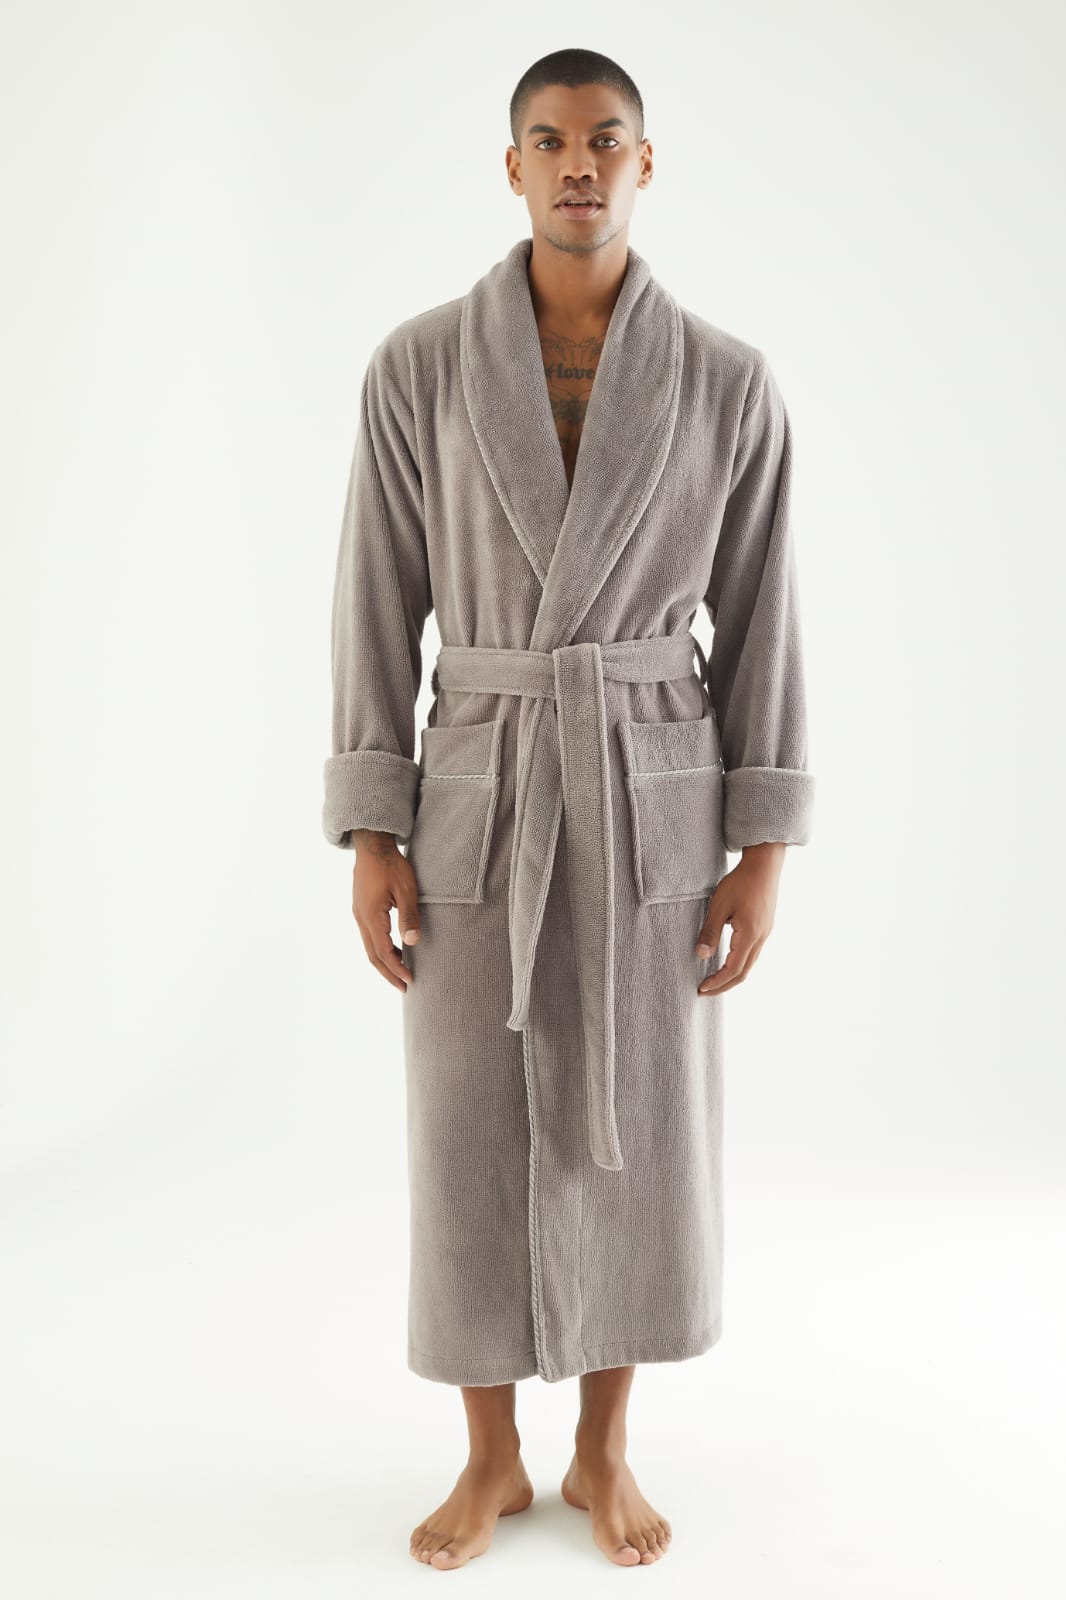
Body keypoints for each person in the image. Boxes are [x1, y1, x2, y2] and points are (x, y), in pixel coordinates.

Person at [322, 47, 815, 1571]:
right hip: (480, 788)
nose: (577, 163)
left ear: (644, 164)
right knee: (467, 1129)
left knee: (632, 1130)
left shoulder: (727, 382)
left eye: (605, 139)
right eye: (547, 141)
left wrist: (761, 844)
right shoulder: (416, 369)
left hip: (645, 792)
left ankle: (603, 1448)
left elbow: (762, 616)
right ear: (513, 168)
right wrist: (374, 825)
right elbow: (375, 602)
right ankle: (490, 1456)